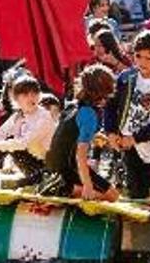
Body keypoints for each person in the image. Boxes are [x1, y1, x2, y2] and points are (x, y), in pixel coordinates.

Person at [104, 30, 150, 199]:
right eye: (138, 56)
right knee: (136, 193)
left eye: (149, 58)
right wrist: (110, 132)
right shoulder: (125, 78)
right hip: (129, 146)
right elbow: (110, 105)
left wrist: (137, 137)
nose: (142, 62)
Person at [40, 64, 120, 201]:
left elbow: (68, 135)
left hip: (52, 165)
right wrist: (87, 184)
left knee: (105, 190)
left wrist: (94, 136)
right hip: (68, 168)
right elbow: (80, 154)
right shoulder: (89, 114)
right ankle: (68, 188)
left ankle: (64, 184)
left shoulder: (73, 106)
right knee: (113, 196)